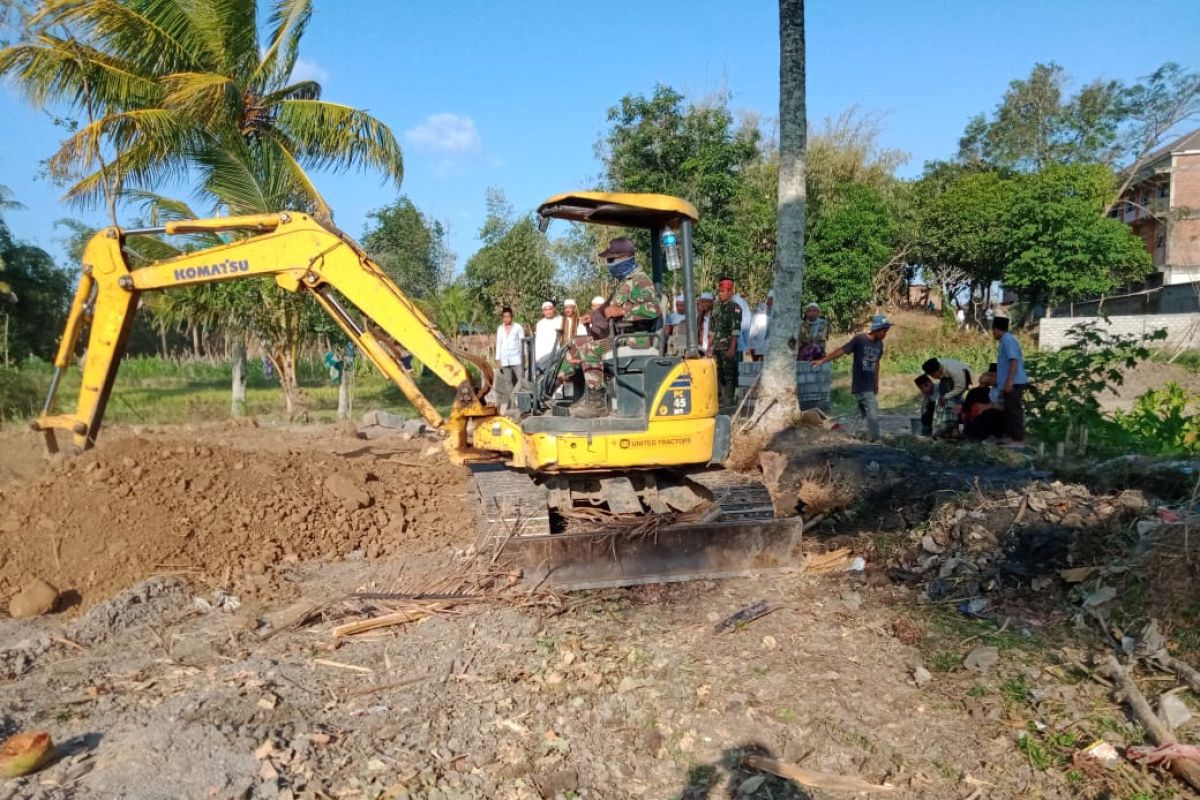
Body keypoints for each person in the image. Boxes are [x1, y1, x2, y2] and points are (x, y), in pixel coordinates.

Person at [566, 237, 658, 417]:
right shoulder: (623, 283)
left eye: (611, 260)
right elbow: (606, 308)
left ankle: (597, 404)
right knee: (575, 345)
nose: (609, 265)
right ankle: (579, 396)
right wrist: (591, 317)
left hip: (634, 340)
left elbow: (654, 310)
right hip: (619, 339)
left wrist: (623, 311)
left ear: (625, 258)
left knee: (591, 350)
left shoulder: (640, 280)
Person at [810, 314, 891, 442]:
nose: (885, 334)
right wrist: (823, 360)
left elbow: (877, 363)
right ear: (876, 329)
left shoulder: (880, 345)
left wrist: (876, 382)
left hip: (870, 384)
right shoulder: (860, 339)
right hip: (860, 383)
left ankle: (850, 433)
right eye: (883, 331)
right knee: (872, 406)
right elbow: (842, 350)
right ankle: (875, 438)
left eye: (886, 331)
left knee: (862, 411)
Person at [991, 317, 1028, 446]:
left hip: (1015, 382)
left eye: (993, 331)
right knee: (1008, 410)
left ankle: (1018, 439)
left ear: (996, 329)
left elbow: (1014, 361)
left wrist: (1009, 382)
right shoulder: (1005, 341)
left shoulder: (1008, 340)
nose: (993, 334)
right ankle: (1011, 436)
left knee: (1014, 410)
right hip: (1010, 382)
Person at [712, 277, 744, 406]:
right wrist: (709, 347)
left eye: (723, 291)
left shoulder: (735, 308)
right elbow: (712, 329)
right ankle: (720, 397)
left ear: (730, 292)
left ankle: (729, 399)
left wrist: (732, 348)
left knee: (729, 373)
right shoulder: (716, 307)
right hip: (716, 345)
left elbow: (736, 330)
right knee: (717, 372)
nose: (720, 293)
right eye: (719, 291)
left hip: (727, 346)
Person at [922, 356, 972, 438]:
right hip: (948, 378)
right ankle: (945, 428)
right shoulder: (938, 367)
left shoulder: (955, 371)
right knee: (943, 402)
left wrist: (946, 397)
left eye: (932, 375)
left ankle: (958, 430)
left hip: (962, 380)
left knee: (954, 404)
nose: (933, 378)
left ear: (937, 371)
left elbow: (960, 387)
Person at [963, 363, 1006, 442]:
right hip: (983, 414)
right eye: (988, 376)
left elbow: (1006, 408)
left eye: (991, 376)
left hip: (1000, 418)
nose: (989, 379)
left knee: (988, 413)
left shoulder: (1004, 389)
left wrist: (989, 406)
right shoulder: (991, 389)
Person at [494, 306, 524, 402]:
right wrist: (498, 358)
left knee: (521, 380)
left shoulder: (518, 327)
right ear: (502, 317)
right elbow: (499, 343)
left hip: (517, 357)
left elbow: (523, 342)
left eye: (509, 316)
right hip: (505, 358)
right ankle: (513, 401)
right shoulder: (500, 328)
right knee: (508, 381)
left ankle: (522, 399)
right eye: (505, 317)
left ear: (512, 317)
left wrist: (524, 355)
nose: (507, 319)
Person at [747, 291, 773, 360]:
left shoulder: (776, 316)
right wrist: (752, 349)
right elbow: (751, 335)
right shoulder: (758, 316)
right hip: (760, 351)